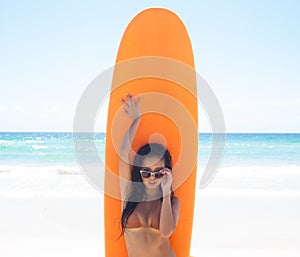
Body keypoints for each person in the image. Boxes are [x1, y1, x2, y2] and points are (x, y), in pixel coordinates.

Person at [118, 93, 180, 257]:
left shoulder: (172, 202)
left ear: (166, 172)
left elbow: (166, 232)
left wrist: (166, 192)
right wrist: (136, 119)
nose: (152, 177)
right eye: (146, 172)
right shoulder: (128, 195)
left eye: (158, 172)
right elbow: (123, 153)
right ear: (140, 173)